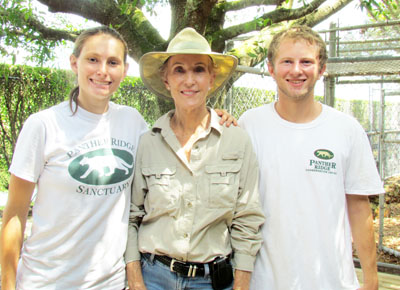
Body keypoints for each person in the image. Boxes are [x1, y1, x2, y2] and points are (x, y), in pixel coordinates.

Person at [238, 25, 385, 290]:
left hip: (332, 281)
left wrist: (371, 278)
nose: (296, 70)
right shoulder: (250, 124)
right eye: (287, 62)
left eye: (306, 61)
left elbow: (359, 206)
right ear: (271, 68)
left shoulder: (347, 129)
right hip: (264, 282)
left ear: (322, 68)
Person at [125, 27, 265, 290]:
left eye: (199, 69)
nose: (189, 80)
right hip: (153, 278)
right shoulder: (148, 142)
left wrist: (242, 284)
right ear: (166, 80)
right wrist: (135, 280)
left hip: (213, 282)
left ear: (211, 79)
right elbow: (132, 217)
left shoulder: (236, 140)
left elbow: (247, 218)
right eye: (179, 70)